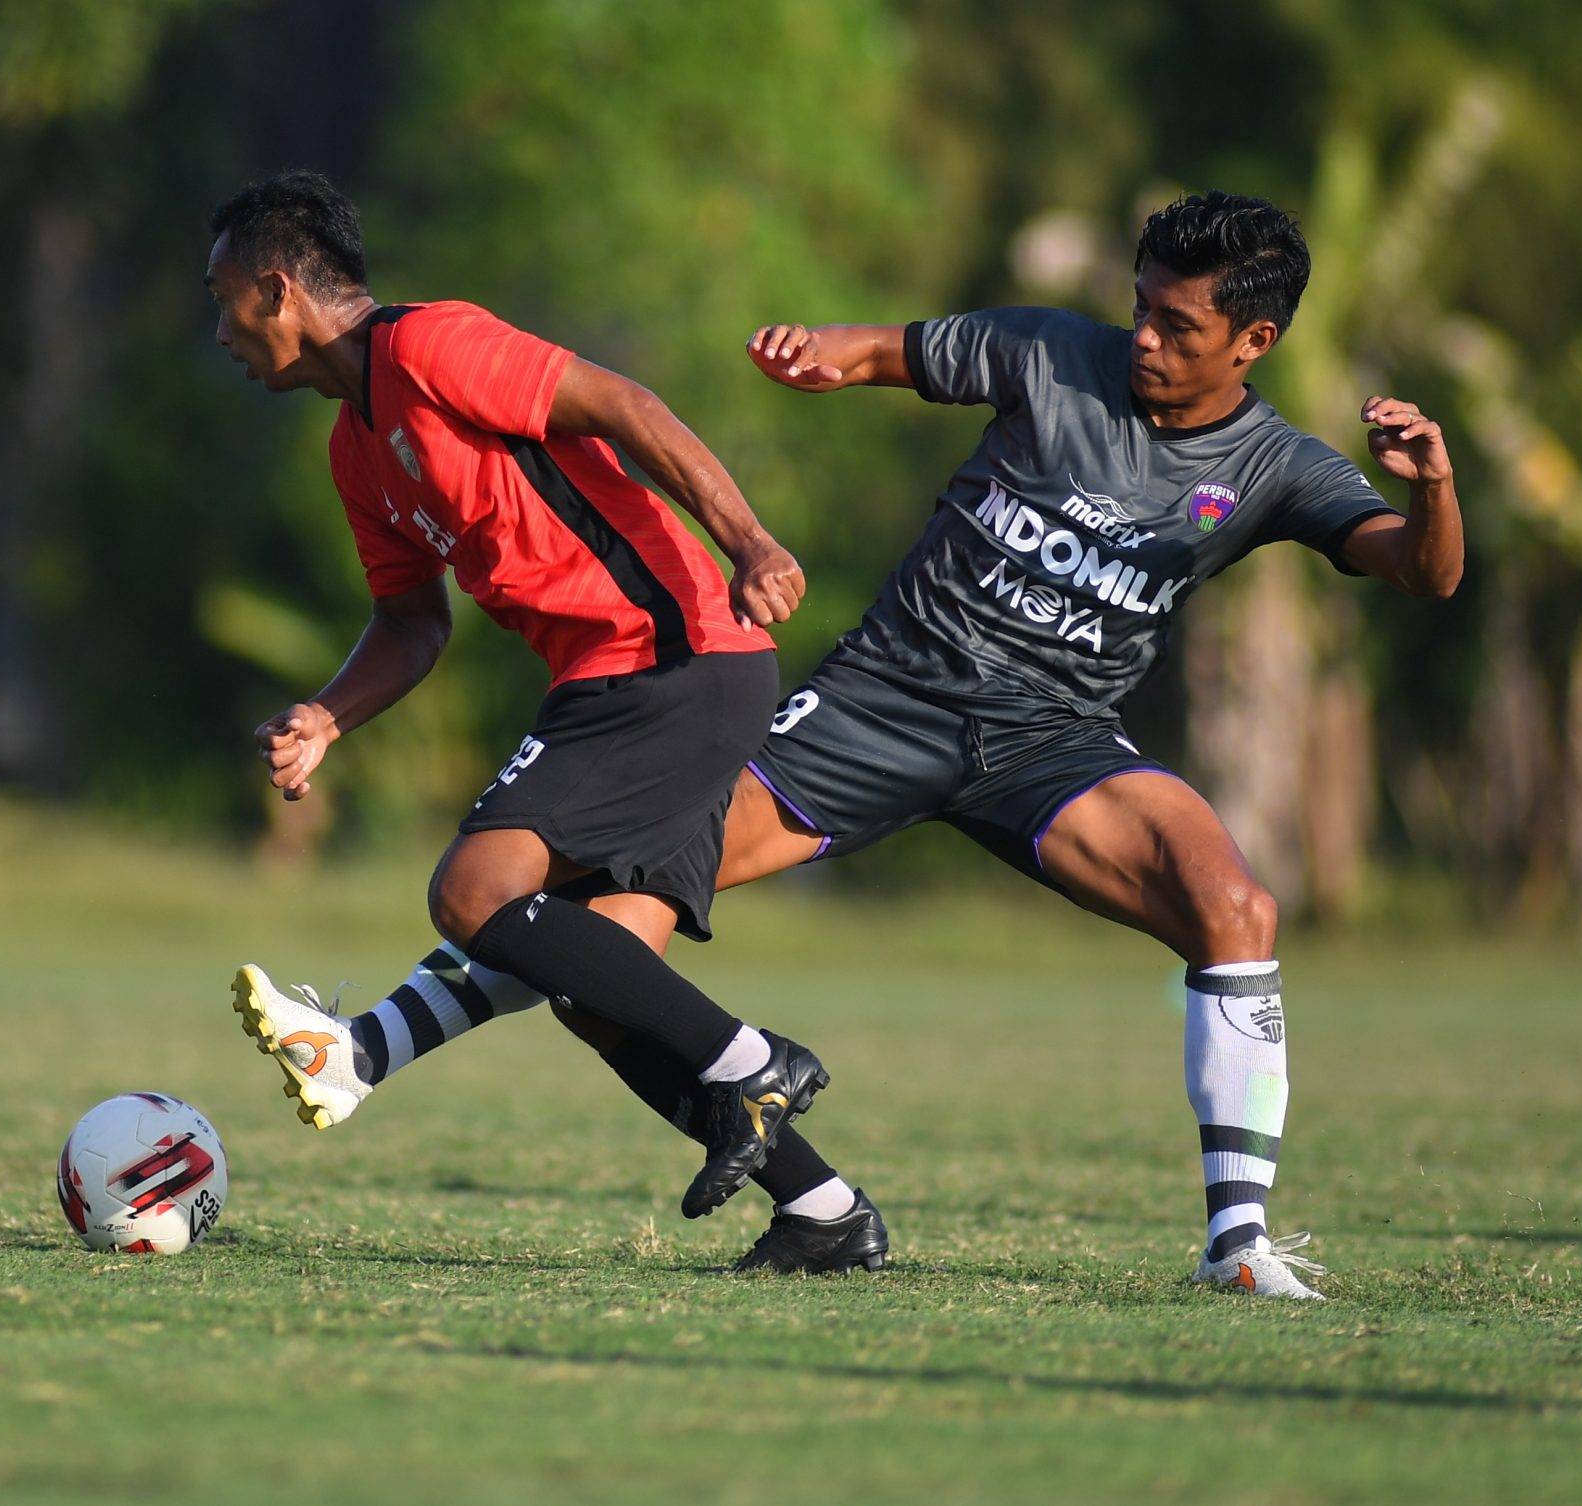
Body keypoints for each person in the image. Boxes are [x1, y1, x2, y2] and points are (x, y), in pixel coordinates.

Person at [259, 191, 1464, 1296]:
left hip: (1054, 742)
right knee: (600, 922)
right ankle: (401, 1058)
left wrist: (1430, 491)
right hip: (875, 707)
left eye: (1178, 324)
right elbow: (888, 349)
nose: (1143, 336)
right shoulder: (1050, 350)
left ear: (1252, 343)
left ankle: (1238, 1245)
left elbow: (1420, 573)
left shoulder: (1275, 469)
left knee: (1233, 909)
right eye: (1140, 305)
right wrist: (815, 354)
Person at [203, 170, 844, 1221]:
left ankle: (751, 1059)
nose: (217, 328)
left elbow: (626, 405)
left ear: (277, 292)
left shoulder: (432, 345)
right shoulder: (354, 449)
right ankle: (825, 1212)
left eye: (221, 296)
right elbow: (412, 624)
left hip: (673, 656)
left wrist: (751, 541)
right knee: (600, 993)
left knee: (471, 892)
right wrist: (327, 714)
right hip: (612, 679)